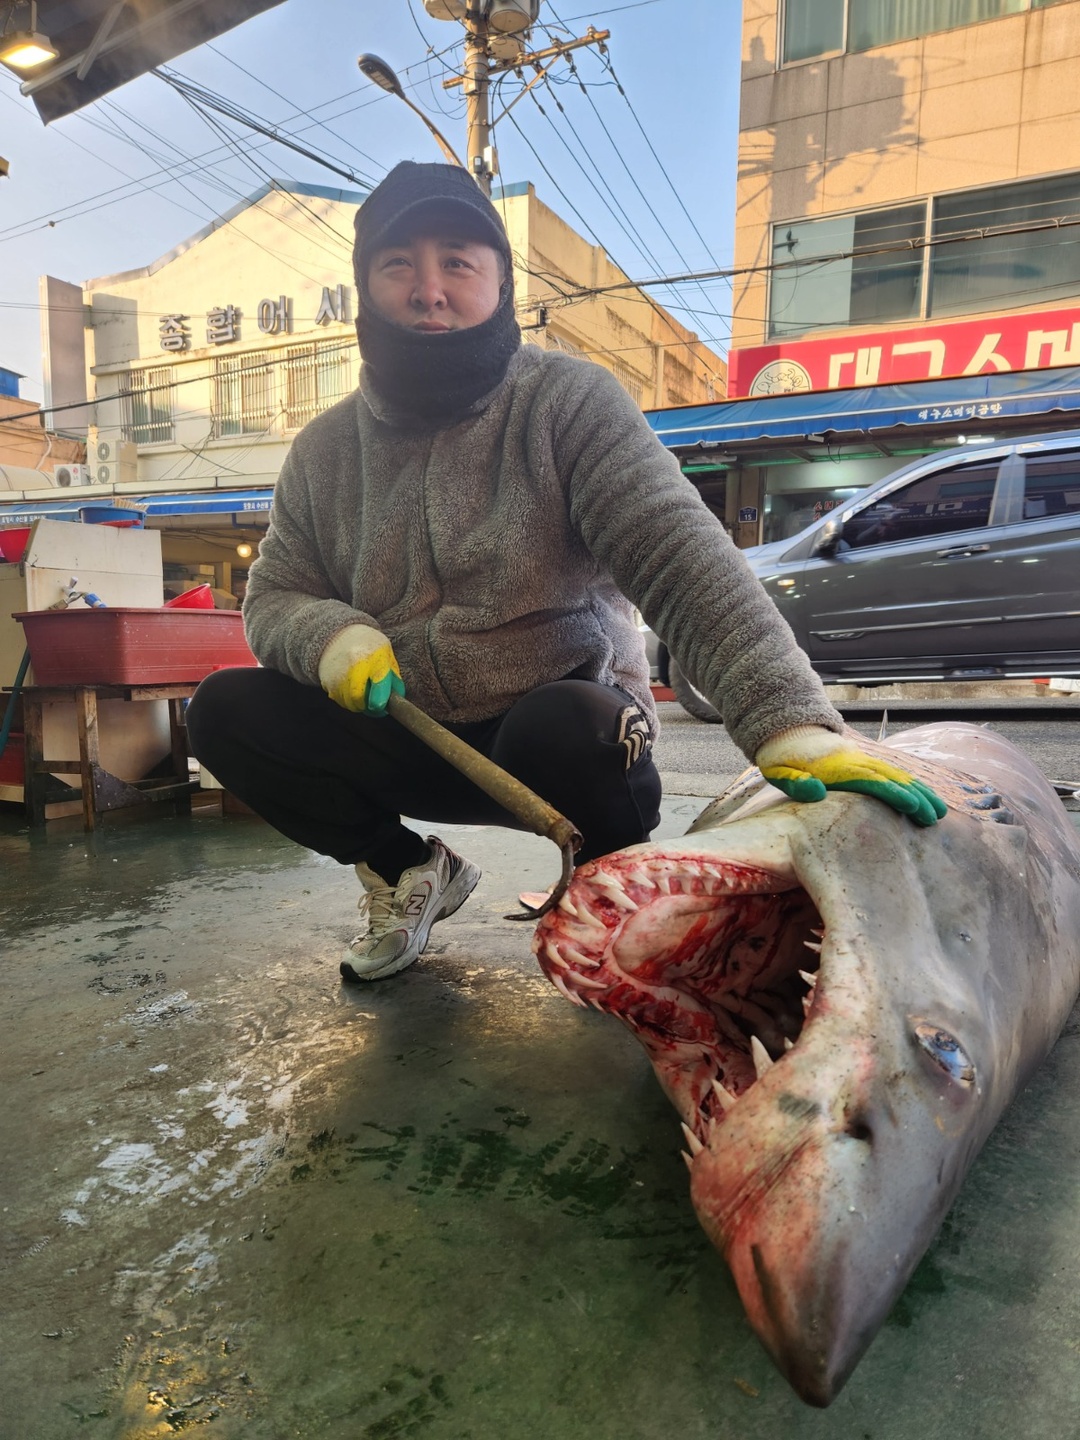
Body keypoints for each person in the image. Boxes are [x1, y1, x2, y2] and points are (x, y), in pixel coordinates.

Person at [185, 161, 945, 985]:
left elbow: (681, 557)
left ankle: (612, 901)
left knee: (573, 724)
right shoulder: (323, 451)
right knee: (223, 710)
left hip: (557, 741)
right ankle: (406, 870)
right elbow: (274, 595)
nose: (429, 288)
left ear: (502, 281)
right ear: (367, 286)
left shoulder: (572, 403)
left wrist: (787, 720)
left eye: (459, 261)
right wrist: (328, 633)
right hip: (407, 731)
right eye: (399, 262)